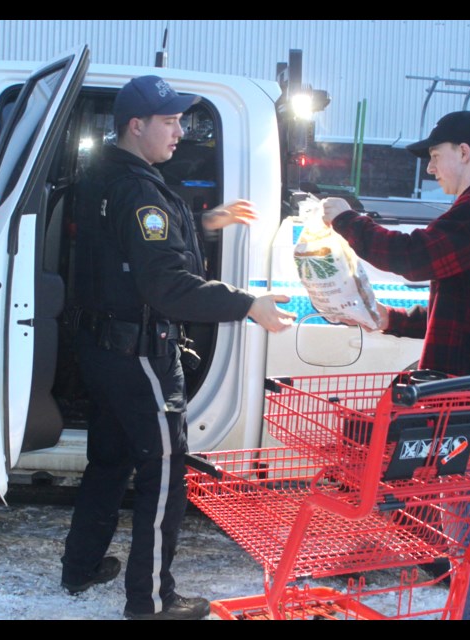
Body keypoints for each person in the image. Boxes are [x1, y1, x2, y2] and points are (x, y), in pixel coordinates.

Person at [61, 75, 296, 620]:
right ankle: (152, 602)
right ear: (136, 126)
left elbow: (141, 242)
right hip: (139, 352)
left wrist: (205, 223)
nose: (180, 131)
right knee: (165, 473)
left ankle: (81, 568)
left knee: (109, 462)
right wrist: (246, 304)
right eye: (168, 121)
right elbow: (164, 284)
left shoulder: (103, 175)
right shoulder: (141, 188)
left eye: (181, 120)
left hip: (101, 348)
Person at [321, 110, 470, 620]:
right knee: (462, 526)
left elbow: (415, 258)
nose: (430, 169)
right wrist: (389, 319)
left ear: (463, 151)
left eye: (435, 157)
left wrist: (345, 219)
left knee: (466, 532)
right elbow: (457, 303)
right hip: (469, 389)